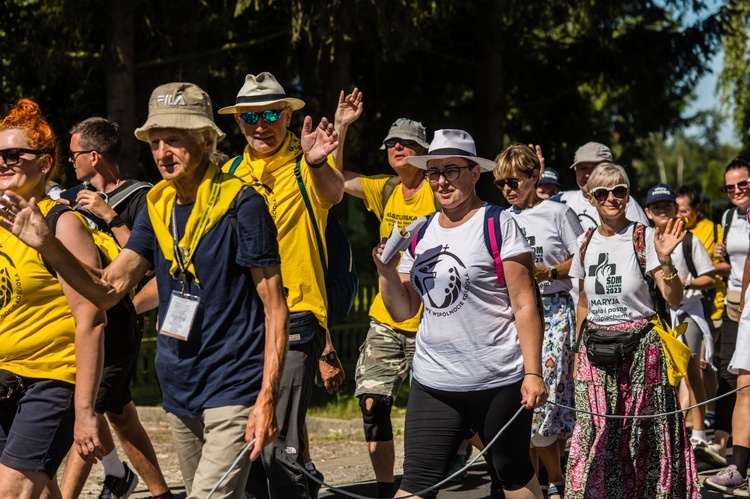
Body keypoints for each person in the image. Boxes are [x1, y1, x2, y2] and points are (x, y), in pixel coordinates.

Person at [0, 82, 289, 499]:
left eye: (174, 139)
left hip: (234, 382)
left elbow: (275, 307)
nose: (162, 153)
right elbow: (107, 289)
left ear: (206, 140)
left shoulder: (242, 203)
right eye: (155, 141)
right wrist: (48, 245)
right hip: (181, 384)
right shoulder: (157, 203)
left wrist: (267, 396)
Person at [374, 129, 547, 499]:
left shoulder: (498, 224)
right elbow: (403, 309)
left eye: (452, 170)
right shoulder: (420, 232)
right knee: (416, 482)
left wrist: (533, 372)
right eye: (434, 172)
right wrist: (386, 272)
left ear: (474, 173)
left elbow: (525, 304)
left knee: (513, 473)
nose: (442, 181)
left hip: (497, 379)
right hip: (434, 380)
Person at [217, 71, 345, 499]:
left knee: (276, 446)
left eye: (271, 113)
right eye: (250, 115)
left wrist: (317, 162)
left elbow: (333, 194)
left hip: (297, 314)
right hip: (243, 321)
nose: (260, 124)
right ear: (238, 122)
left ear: (288, 116)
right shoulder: (230, 173)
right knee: (245, 449)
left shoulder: (308, 160)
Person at [564, 163, 699, 498]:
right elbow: (584, 300)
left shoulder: (644, 237)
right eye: (603, 193)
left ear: (628, 194)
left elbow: (673, 296)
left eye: (620, 190)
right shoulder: (584, 241)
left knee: (641, 435)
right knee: (594, 432)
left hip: (642, 352)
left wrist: (666, 261)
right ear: (591, 198)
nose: (612, 198)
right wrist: (577, 349)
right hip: (596, 352)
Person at [58, 117, 171, 499]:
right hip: (76, 318)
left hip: (117, 320)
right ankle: (159, 492)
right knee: (122, 417)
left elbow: (154, 263)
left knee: (84, 414)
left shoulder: (144, 196)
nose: (69, 161)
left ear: (94, 155)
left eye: (74, 154)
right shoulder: (70, 197)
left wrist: (110, 216)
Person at [0, 99, 105, 498]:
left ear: (44, 164)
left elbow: (91, 318)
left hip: (50, 380)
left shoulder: (62, 225)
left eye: (13, 155)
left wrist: (84, 412)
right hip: (3, 378)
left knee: (10, 492)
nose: (3, 163)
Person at [334, 88, 434, 498]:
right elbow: (335, 180)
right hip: (386, 317)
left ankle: (503, 476)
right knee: (372, 403)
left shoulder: (439, 189)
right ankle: (385, 489)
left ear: (423, 151)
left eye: (405, 143)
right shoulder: (386, 189)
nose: (396, 147)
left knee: (451, 417)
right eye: (391, 143)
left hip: (432, 317)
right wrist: (341, 127)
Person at [493, 144, 582, 499]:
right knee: (518, 398)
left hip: (554, 309)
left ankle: (556, 478)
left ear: (533, 177)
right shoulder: (501, 217)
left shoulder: (557, 213)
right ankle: (533, 481)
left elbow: (586, 259)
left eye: (514, 181)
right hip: (513, 314)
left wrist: (550, 272)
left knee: (543, 397)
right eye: (501, 184)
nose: (508, 190)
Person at [644, 183, 717, 455]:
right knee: (661, 377)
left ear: (676, 209)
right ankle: (669, 433)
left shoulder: (689, 240)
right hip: (659, 316)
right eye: (656, 206)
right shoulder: (644, 240)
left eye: (667, 205)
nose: (662, 210)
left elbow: (710, 277)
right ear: (647, 211)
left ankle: (699, 432)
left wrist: (686, 282)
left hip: (689, 312)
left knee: (692, 372)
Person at [704, 157, 750, 493]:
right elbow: (740, 264)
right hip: (740, 302)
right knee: (736, 381)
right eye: (730, 186)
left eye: (743, 184)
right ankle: (733, 462)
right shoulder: (729, 216)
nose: (736, 191)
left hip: (745, 301)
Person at [554, 142, 649, 231]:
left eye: (595, 168)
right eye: (582, 168)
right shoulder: (562, 201)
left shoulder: (624, 204)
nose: (588, 174)